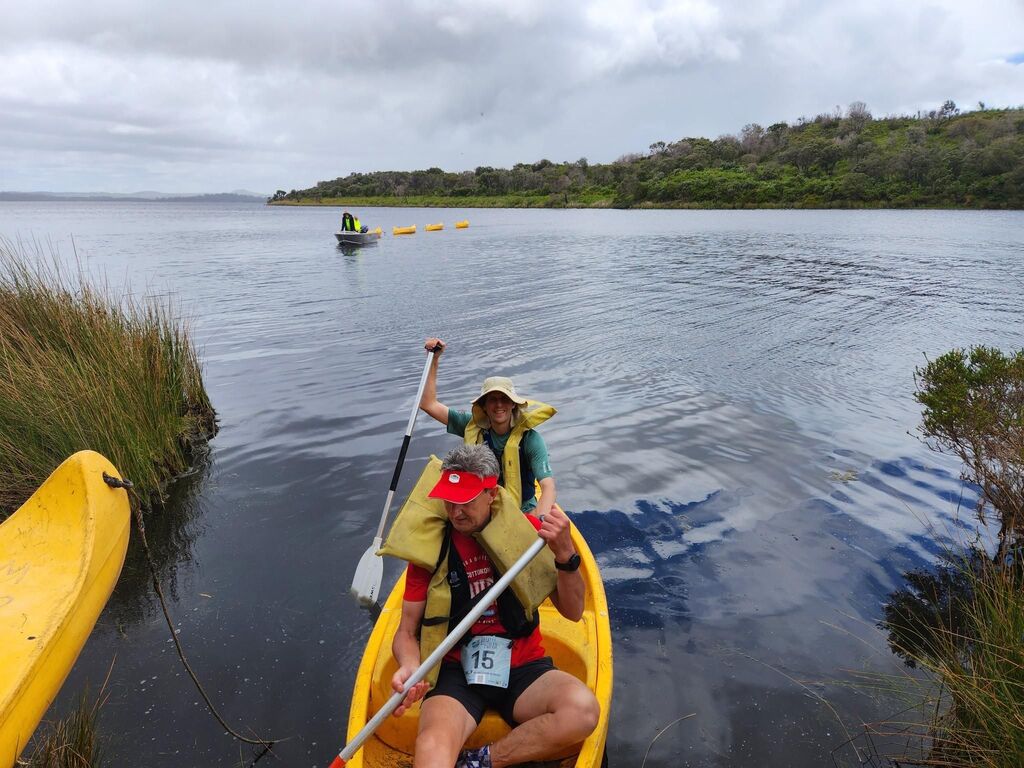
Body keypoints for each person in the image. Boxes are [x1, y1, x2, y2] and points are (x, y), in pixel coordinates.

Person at [387, 445, 599, 768]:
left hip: (522, 666)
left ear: (491, 492)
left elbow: (572, 611)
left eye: (467, 500)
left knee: (583, 710)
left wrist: (566, 554)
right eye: (449, 500)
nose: (456, 512)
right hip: (456, 671)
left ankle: (483, 761)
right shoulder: (430, 549)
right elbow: (405, 631)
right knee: (430, 752)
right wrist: (409, 664)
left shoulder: (527, 532)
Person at [419, 338, 556, 519]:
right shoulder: (471, 425)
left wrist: (541, 519)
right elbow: (428, 404)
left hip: (521, 510)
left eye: (504, 399)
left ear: (513, 404)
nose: (499, 405)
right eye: (493, 399)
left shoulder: (531, 439)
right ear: (483, 405)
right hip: (482, 509)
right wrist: (433, 359)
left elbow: (548, 486)